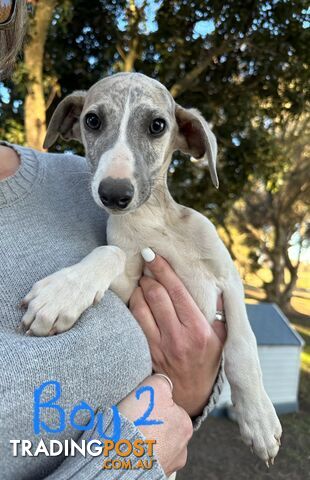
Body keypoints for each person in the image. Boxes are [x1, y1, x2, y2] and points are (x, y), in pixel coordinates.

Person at [0, 1, 226, 479]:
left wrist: (193, 388)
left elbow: (194, 342)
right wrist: (132, 461)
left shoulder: (83, 183)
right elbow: (147, 451)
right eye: (95, 123)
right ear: (73, 123)